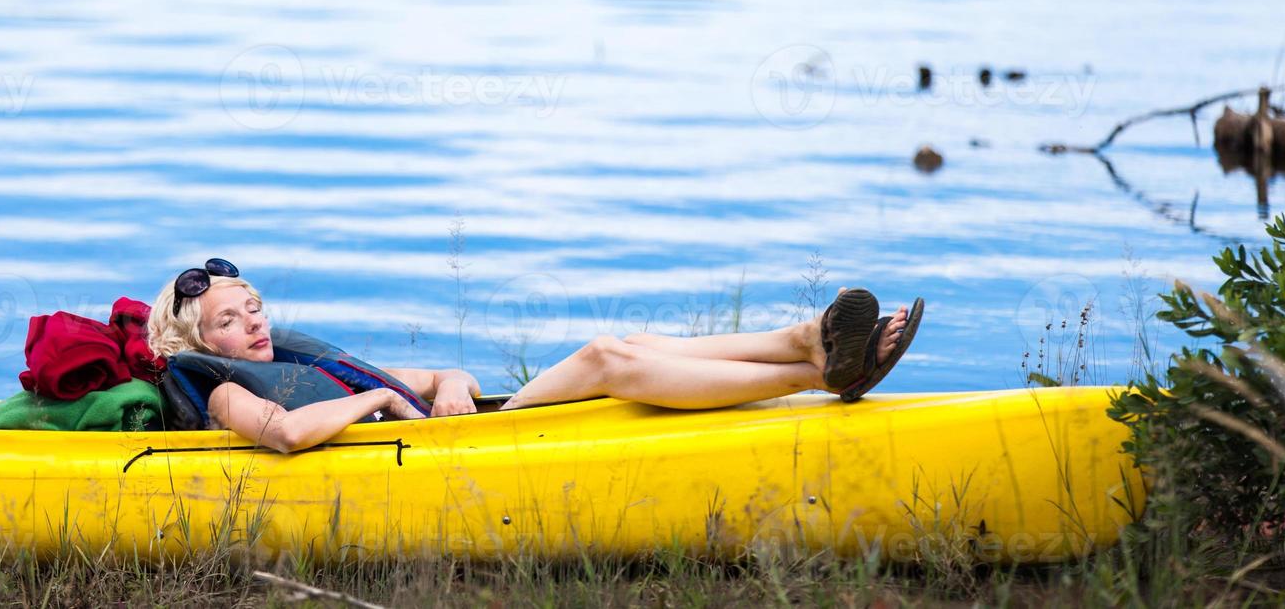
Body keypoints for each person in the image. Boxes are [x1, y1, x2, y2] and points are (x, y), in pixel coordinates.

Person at [145, 259, 922, 454]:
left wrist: (448, 380)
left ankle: (803, 344)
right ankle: (819, 369)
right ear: (197, 343)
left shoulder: (302, 352)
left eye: (254, 307)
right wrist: (377, 404)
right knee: (606, 357)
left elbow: (441, 377)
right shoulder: (218, 392)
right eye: (228, 321)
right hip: (452, 456)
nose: (252, 326)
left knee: (638, 347)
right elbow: (282, 435)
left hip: (461, 430)